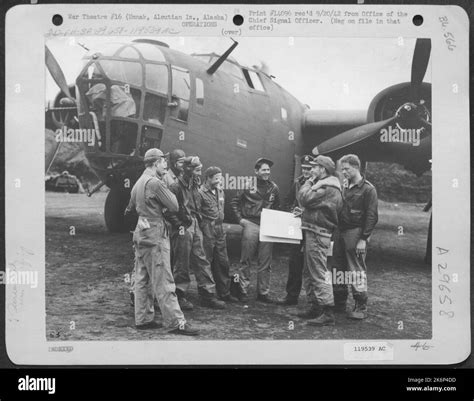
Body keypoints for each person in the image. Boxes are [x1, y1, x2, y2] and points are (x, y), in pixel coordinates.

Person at [126, 148, 199, 335]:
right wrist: (167, 182)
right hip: (155, 233)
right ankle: (176, 322)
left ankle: (143, 319)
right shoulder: (156, 183)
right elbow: (174, 205)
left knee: (142, 278)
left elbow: (131, 208)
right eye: (163, 162)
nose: (166, 165)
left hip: (141, 232)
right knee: (164, 279)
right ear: (156, 163)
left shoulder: (138, 183)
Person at [167, 156, 226, 310]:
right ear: (187, 170)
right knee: (182, 262)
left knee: (201, 259)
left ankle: (207, 295)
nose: (199, 172)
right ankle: (179, 295)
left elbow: (195, 205)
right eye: (197, 169)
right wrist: (179, 224)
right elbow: (167, 210)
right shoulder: (175, 187)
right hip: (183, 227)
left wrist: (196, 219)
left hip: (194, 224)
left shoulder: (194, 184)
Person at [297, 155, 343, 326]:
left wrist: (309, 182)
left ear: (323, 169)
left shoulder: (327, 187)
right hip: (314, 231)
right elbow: (310, 204)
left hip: (318, 233)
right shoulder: (326, 185)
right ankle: (315, 306)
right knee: (309, 271)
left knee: (318, 272)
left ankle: (327, 311)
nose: (312, 170)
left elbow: (304, 198)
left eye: (315, 167)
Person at [332, 154, 378, 320]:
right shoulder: (344, 186)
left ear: (356, 167)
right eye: (342, 169)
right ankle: (339, 302)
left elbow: (372, 216)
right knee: (337, 266)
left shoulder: (368, 189)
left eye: (346, 169)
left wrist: (363, 239)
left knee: (356, 269)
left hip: (355, 232)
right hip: (339, 231)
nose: (343, 172)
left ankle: (360, 304)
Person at [230, 157, 280, 303]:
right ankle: (242, 290)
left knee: (265, 261)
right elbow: (234, 202)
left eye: (268, 170)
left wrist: (275, 223)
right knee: (246, 259)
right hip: (251, 223)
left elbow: (277, 206)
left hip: (267, 226)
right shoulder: (246, 184)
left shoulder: (274, 188)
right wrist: (240, 220)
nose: (266, 172)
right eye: (263, 170)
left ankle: (263, 293)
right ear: (256, 171)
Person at [277, 155, 314, 306]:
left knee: (313, 265)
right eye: (304, 168)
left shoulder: (319, 184)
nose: (305, 171)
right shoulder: (297, 183)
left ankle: (314, 301)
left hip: (312, 227)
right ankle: (291, 296)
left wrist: (306, 211)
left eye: (309, 169)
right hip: (297, 229)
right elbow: (286, 201)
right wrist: (293, 210)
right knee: (294, 262)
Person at [199, 167, 239, 303]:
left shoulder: (220, 191)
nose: (219, 180)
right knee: (206, 261)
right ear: (208, 178)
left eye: (220, 178)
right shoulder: (200, 193)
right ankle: (207, 294)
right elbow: (197, 213)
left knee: (222, 261)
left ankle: (224, 292)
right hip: (207, 228)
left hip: (219, 228)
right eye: (216, 178)